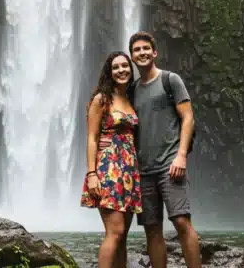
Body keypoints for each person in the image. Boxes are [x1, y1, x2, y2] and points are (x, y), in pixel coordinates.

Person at [127, 31, 200, 268]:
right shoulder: (132, 90)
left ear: (154, 52)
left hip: (170, 165)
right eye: (137, 50)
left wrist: (181, 156)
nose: (142, 53)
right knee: (152, 230)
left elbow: (188, 118)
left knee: (181, 222)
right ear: (132, 56)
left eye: (145, 48)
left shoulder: (171, 80)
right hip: (143, 170)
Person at [80, 51, 142, 268]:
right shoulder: (101, 99)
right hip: (108, 169)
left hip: (129, 171)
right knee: (114, 232)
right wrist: (91, 174)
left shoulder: (132, 98)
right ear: (109, 71)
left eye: (125, 65)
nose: (121, 70)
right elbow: (92, 138)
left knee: (123, 235)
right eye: (116, 67)